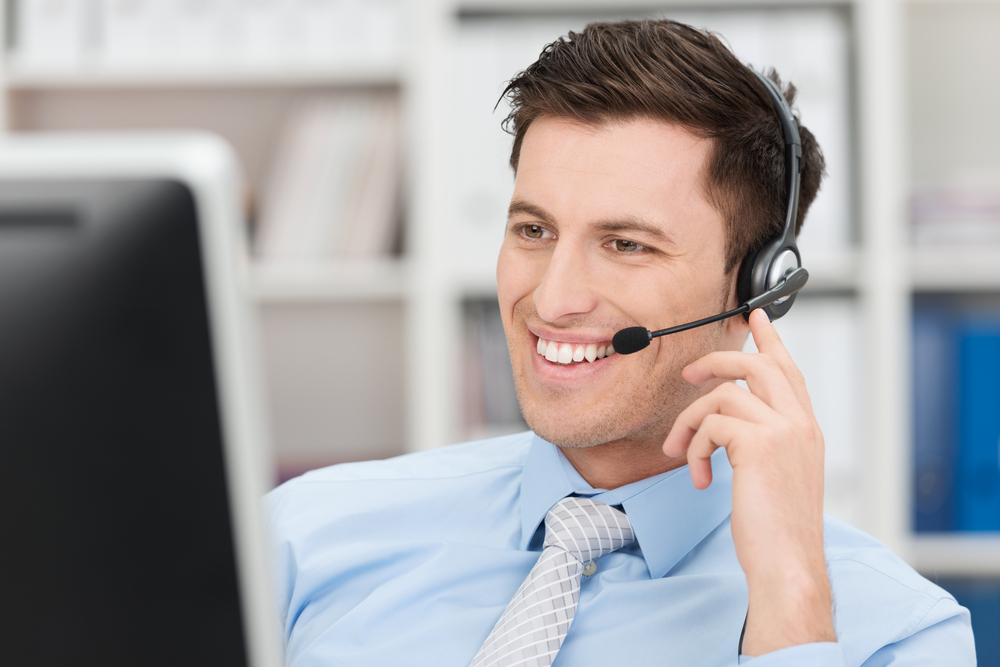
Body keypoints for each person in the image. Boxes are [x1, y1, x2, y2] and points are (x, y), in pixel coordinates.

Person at [265, 19, 975, 666]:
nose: (551, 299)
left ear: (760, 286)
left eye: (626, 244)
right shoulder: (304, 536)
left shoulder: (897, 631)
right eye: (533, 230)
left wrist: (790, 599)